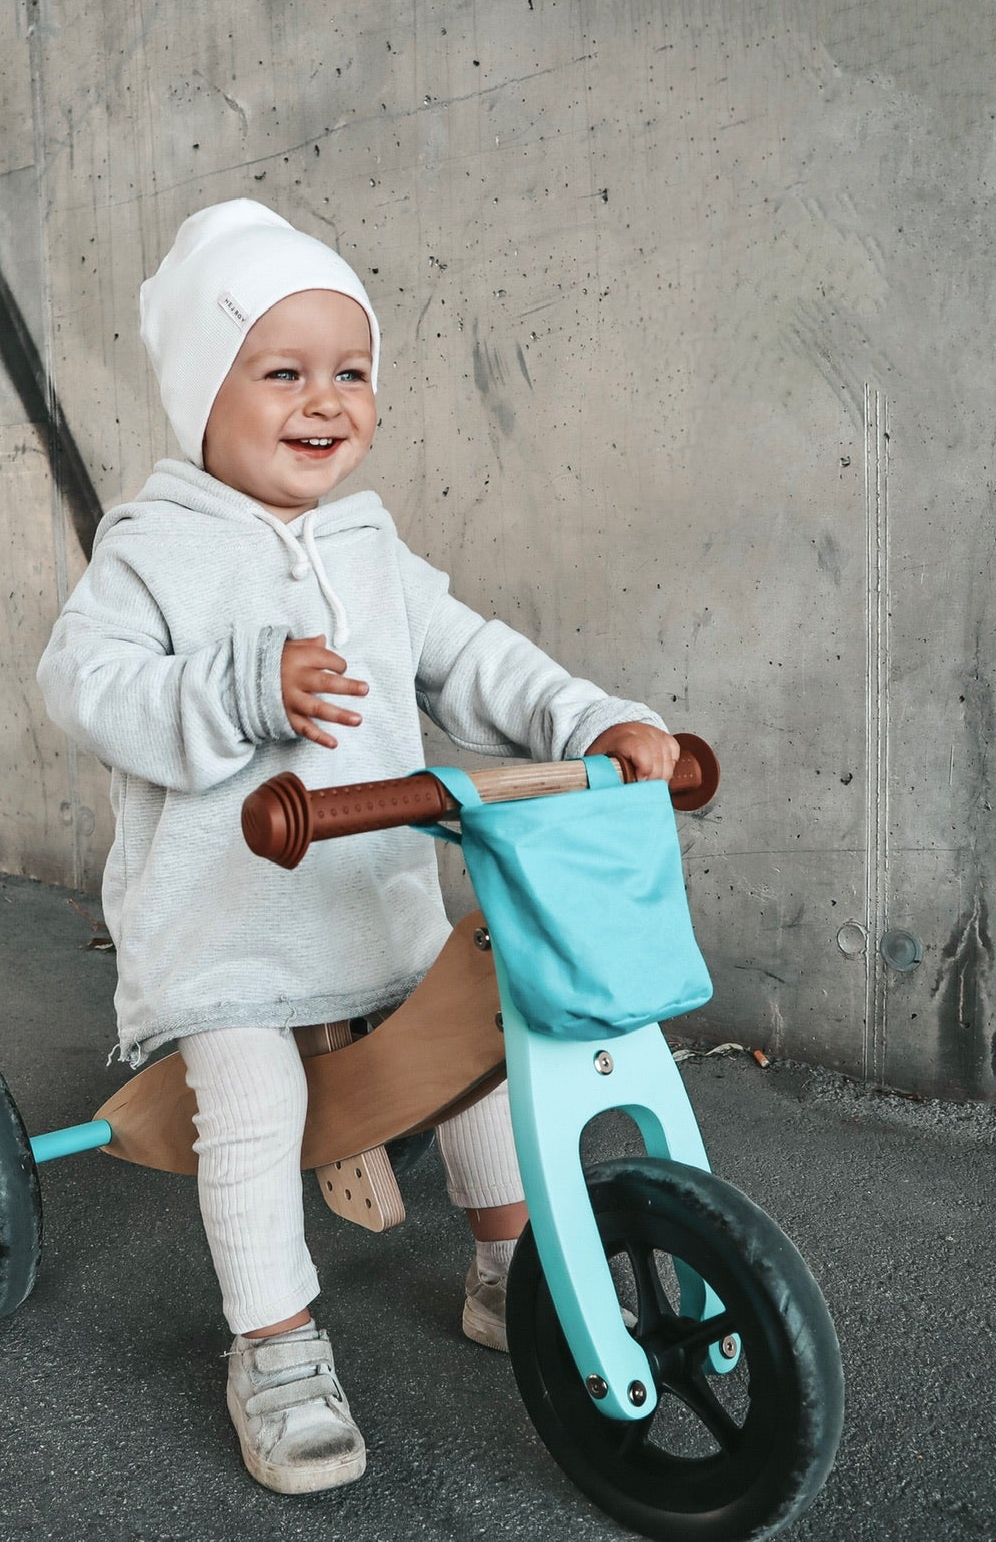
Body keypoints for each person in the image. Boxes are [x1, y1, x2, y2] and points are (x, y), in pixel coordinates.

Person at [37, 198, 677, 1494]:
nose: (326, 399)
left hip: (369, 897)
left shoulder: (370, 544)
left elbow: (473, 657)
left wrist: (594, 715)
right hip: (226, 919)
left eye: (351, 370)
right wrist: (237, 686)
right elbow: (81, 686)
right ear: (202, 396)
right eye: (282, 372)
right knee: (257, 1103)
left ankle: (511, 1268)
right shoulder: (151, 549)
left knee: (483, 1039)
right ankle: (271, 1342)